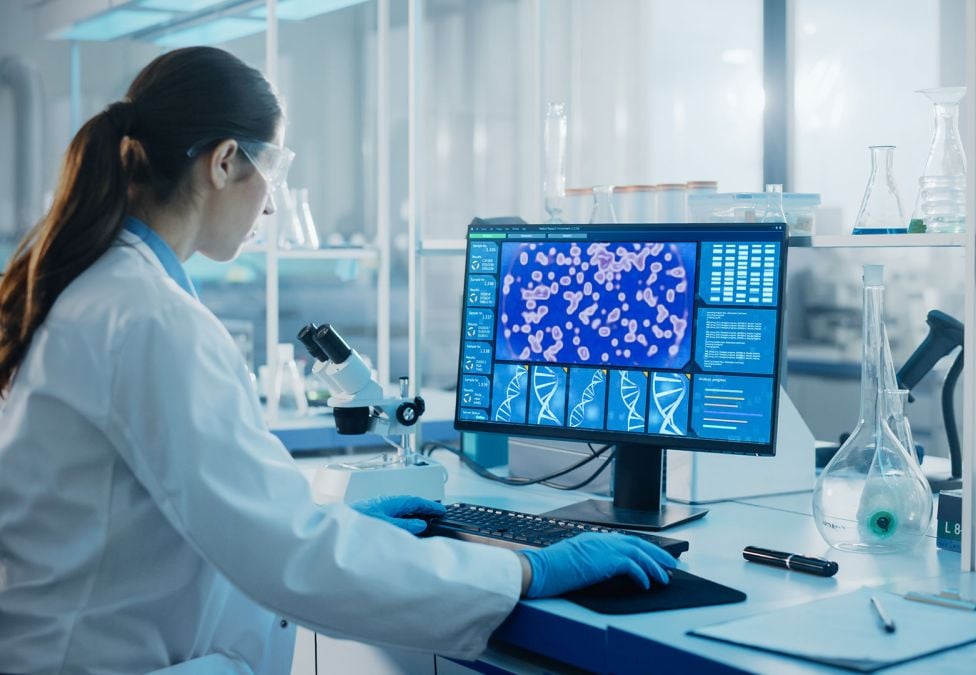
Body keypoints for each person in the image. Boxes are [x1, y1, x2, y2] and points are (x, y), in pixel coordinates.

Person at [0, 47, 677, 674]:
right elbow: (293, 557)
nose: (273, 199)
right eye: (277, 170)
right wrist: (527, 571)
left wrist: (340, 526)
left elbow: (220, 527)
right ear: (226, 161)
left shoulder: (95, 288)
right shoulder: (149, 318)